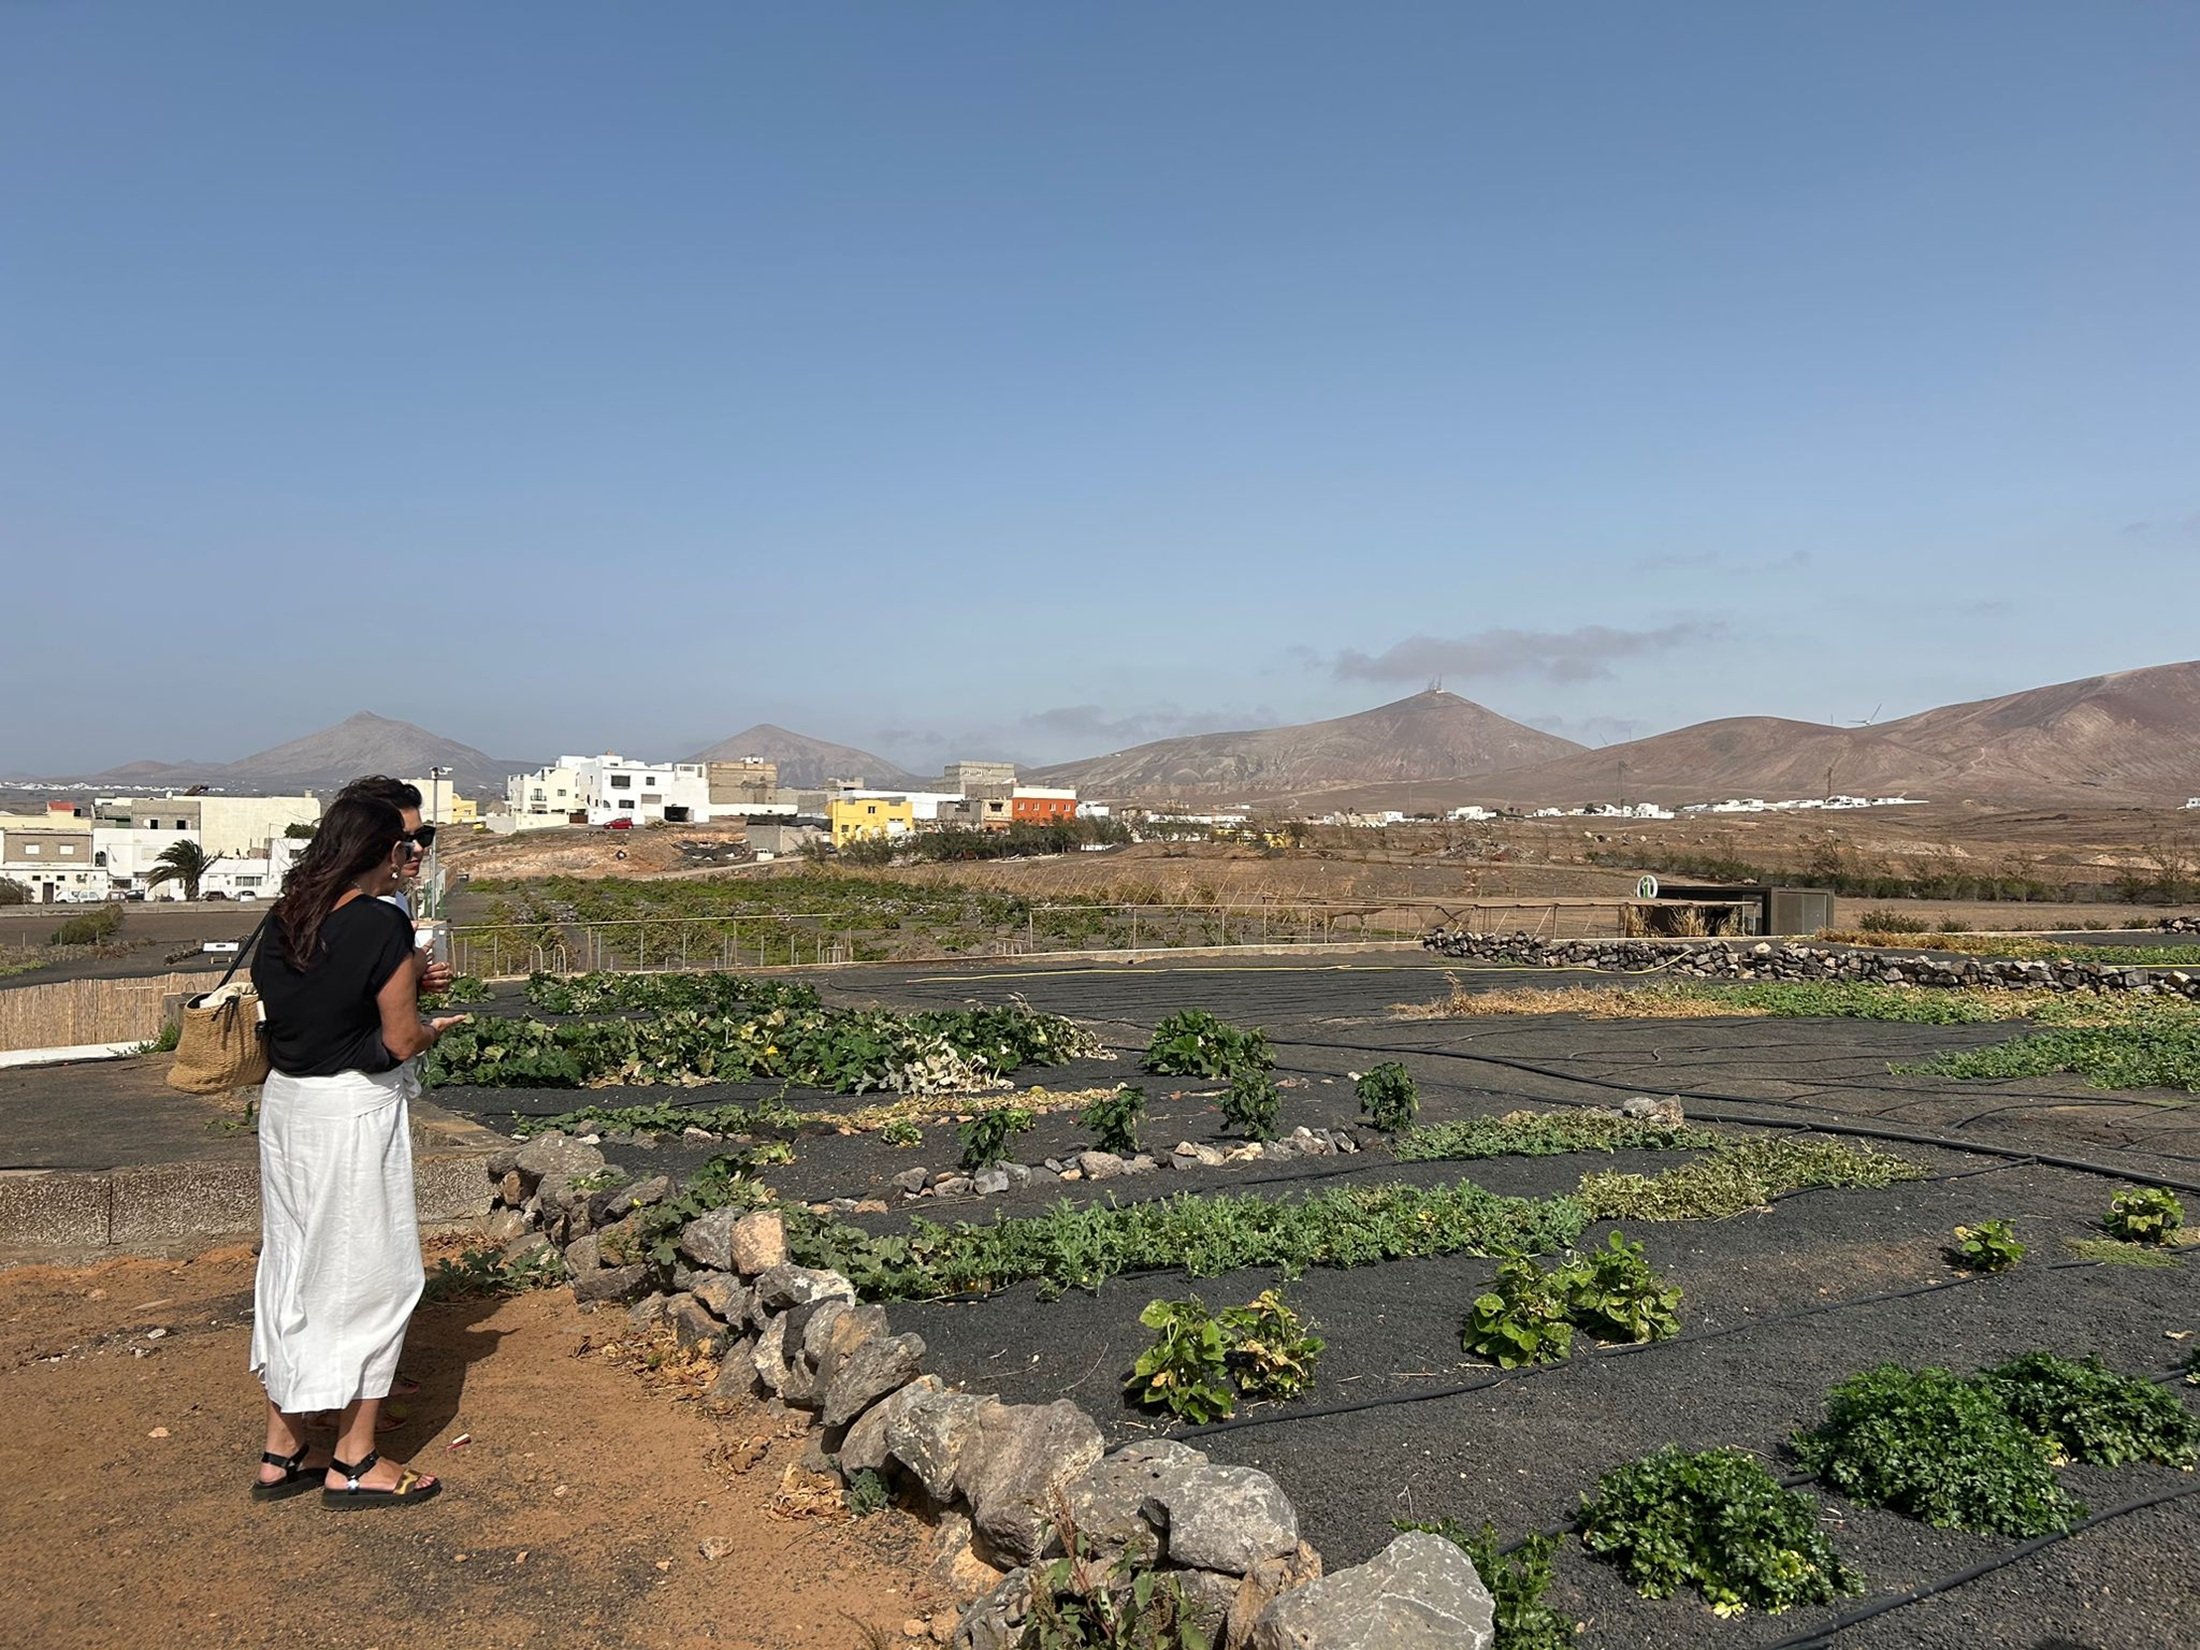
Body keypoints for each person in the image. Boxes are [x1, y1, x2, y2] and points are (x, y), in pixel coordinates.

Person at [246, 793, 467, 1506]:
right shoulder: (380, 924)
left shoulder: (288, 915)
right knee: (375, 1274)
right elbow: (398, 1041)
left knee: (292, 1268)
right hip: (350, 1110)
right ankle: (354, 1459)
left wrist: (397, 979)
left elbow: (317, 1004)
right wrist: (435, 1023)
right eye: (407, 844)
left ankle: (282, 1451)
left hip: (287, 1106)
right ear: (376, 850)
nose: (414, 855)